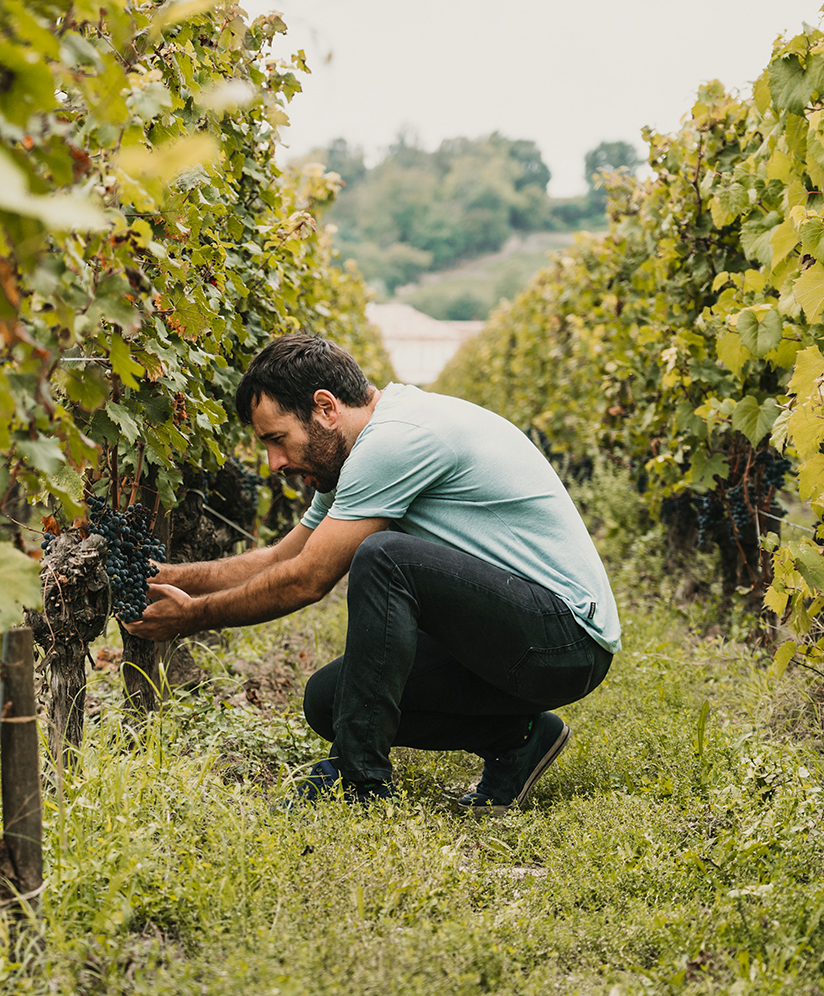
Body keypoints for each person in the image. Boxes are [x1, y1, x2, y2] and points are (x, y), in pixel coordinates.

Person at [123, 334, 619, 812]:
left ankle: (358, 779)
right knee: (328, 702)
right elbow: (283, 557)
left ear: (325, 408)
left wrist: (191, 617)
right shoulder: (356, 452)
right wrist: (171, 575)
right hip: (514, 636)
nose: (274, 462)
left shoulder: (396, 441)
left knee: (385, 557)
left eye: (277, 439)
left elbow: (307, 579)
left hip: (566, 641)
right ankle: (521, 740)